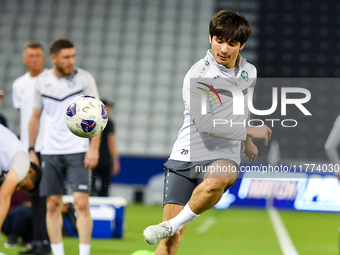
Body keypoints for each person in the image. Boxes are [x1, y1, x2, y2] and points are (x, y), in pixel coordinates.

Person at [143, 10, 272, 254]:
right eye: (219, 40)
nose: (223, 48)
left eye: (232, 43)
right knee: (170, 243)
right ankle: (171, 229)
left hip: (223, 154)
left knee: (217, 179)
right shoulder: (198, 75)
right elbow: (204, 124)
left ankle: (170, 225)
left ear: (241, 45)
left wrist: (245, 142)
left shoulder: (249, 73)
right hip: (186, 153)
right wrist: (248, 132)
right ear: (210, 37)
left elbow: (240, 111)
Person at [29, 38, 101, 255]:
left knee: (81, 204)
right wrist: (32, 149)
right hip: (50, 151)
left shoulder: (84, 79)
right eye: (66, 57)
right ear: (54, 58)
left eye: (73, 56)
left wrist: (94, 148)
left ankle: (84, 253)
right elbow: (35, 117)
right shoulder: (41, 82)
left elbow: (97, 113)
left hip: (78, 149)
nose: (71, 61)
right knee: (52, 205)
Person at [12, 41, 51, 255]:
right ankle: (39, 242)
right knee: (35, 197)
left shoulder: (51, 81)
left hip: (51, 147)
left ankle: (47, 243)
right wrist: (27, 147)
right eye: (30, 55)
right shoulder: (18, 85)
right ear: (24, 59)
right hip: (30, 148)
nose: (34, 58)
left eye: (38, 55)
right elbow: (24, 116)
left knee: (50, 197)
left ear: (43, 57)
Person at [0, 124, 42, 234]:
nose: (17, 188)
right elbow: (3, 197)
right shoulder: (23, 162)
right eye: (24, 186)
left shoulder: (6, 161)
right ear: (30, 172)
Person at [91, 100, 120, 197]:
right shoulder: (109, 123)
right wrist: (115, 160)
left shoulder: (90, 121)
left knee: (90, 187)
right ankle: (103, 210)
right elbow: (111, 142)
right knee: (104, 188)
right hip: (105, 160)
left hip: (91, 158)